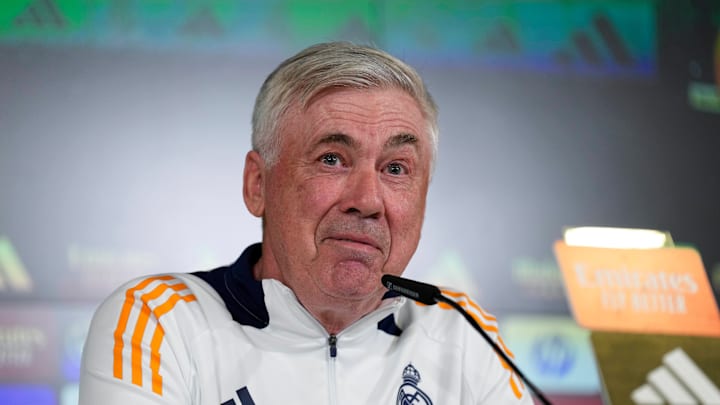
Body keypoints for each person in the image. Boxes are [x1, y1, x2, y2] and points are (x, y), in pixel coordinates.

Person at [79, 42, 532, 405]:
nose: (367, 201)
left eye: (396, 168)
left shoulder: (461, 330)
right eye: (332, 159)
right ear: (258, 184)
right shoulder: (160, 320)